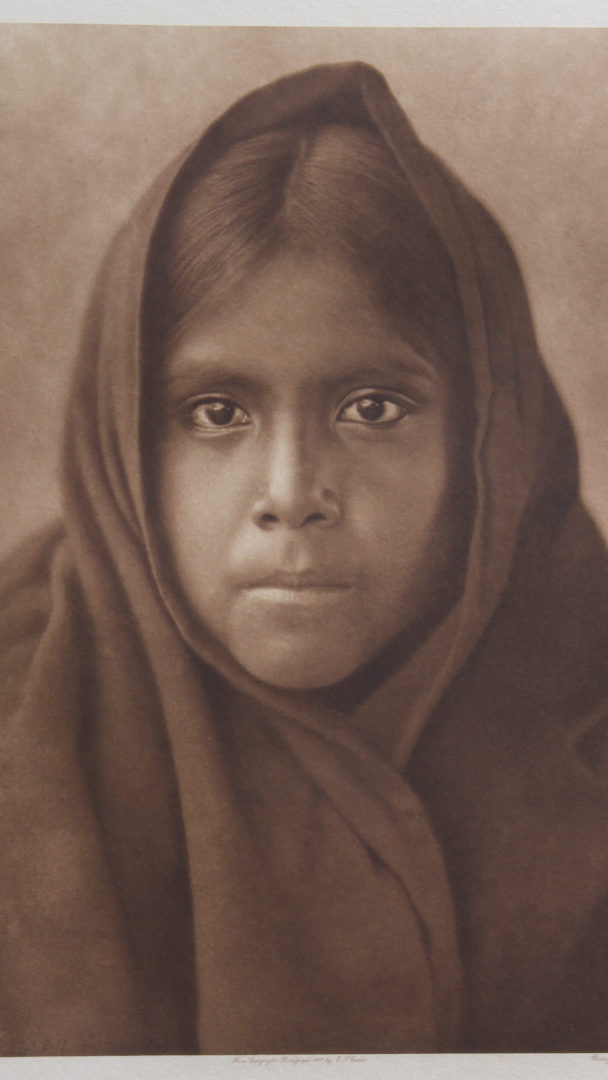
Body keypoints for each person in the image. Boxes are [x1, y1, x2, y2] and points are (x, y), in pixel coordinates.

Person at [0, 60, 607, 1056]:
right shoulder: (25, 737)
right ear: (120, 443)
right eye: (215, 413)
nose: (289, 491)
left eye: (371, 409)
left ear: (490, 443)